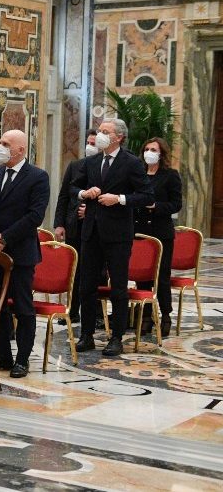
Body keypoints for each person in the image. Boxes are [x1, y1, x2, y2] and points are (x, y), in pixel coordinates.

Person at [73, 118, 154, 357]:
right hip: (91, 232)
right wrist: (83, 193)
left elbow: (146, 195)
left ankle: (116, 337)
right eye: (99, 131)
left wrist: (118, 199)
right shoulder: (91, 161)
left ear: (118, 137)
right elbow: (72, 187)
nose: (100, 135)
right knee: (86, 286)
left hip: (118, 234)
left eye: (105, 131)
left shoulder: (131, 163)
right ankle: (86, 334)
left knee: (118, 287)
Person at [0, 130, 50, 378]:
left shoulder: (38, 177)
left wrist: (4, 238)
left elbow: (34, 216)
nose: (0, 146)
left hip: (20, 252)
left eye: (5, 144)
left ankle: (22, 359)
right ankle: (2, 355)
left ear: (20, 150)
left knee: (23, 307)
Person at [133, 137, 182, 337]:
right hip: (140, 232)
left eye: (153, 149)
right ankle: (145, 316)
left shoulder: (170, 176)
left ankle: (166, 315)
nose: (149, 152)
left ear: (162, 153)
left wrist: (156, 206)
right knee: (142, 276)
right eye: (147, 149)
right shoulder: (138, 175)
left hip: (161, 233)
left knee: (161, 276)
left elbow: (176, 204)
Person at [53, 129, 98, 324]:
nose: (90, 146)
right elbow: (64, 196)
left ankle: (95, 313)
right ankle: (72, 310)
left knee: (94, 271)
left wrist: (90, 213)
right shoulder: (75, 166)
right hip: (74, 226)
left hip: (96, 229)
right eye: (88, 142)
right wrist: (59, 224)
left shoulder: (104, 169)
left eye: (94, 143)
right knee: (75, 270)